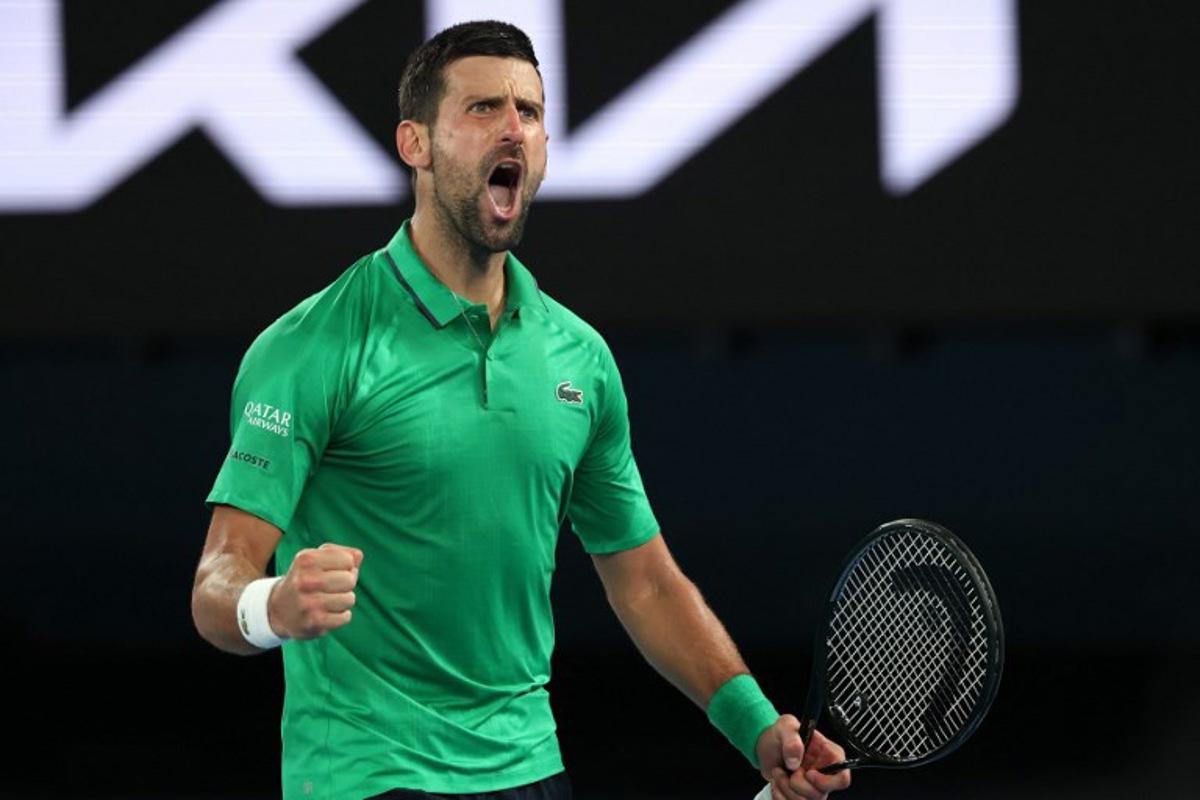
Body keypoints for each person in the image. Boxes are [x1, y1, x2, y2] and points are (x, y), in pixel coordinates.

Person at [191, 20, 852, 800]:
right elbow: (217, 582)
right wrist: (273, 604)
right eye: (481, 109)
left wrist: (754, 724)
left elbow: (643, 581)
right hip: (366, 774)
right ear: (416, 144)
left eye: (530, 112)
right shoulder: (311, 347)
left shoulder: (580, 360)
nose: (514, 127)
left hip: (531, 771)